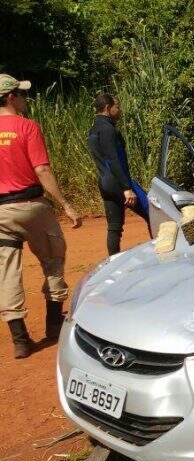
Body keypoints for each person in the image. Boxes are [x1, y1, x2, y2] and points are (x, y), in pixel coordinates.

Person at [0, 74, 82, 359]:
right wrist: (65, 205)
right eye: (21, 95)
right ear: (11, 97)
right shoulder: (27, 127)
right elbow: (42, 170)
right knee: (53, 258)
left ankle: (20, 339)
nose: (24, 99)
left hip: (1, 212)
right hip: (32, 205)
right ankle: (53, 323)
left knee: (6, 270)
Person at [87, 93, 149, 256]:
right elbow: (113, 159)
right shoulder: (108, 129)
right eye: (117, 106)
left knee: (114, 227)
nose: (119, 109)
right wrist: (127, 188)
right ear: (108, 108)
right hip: (118, 183)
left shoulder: (94, 128)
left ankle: (113, 262)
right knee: (151, 212)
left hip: (105, 183)